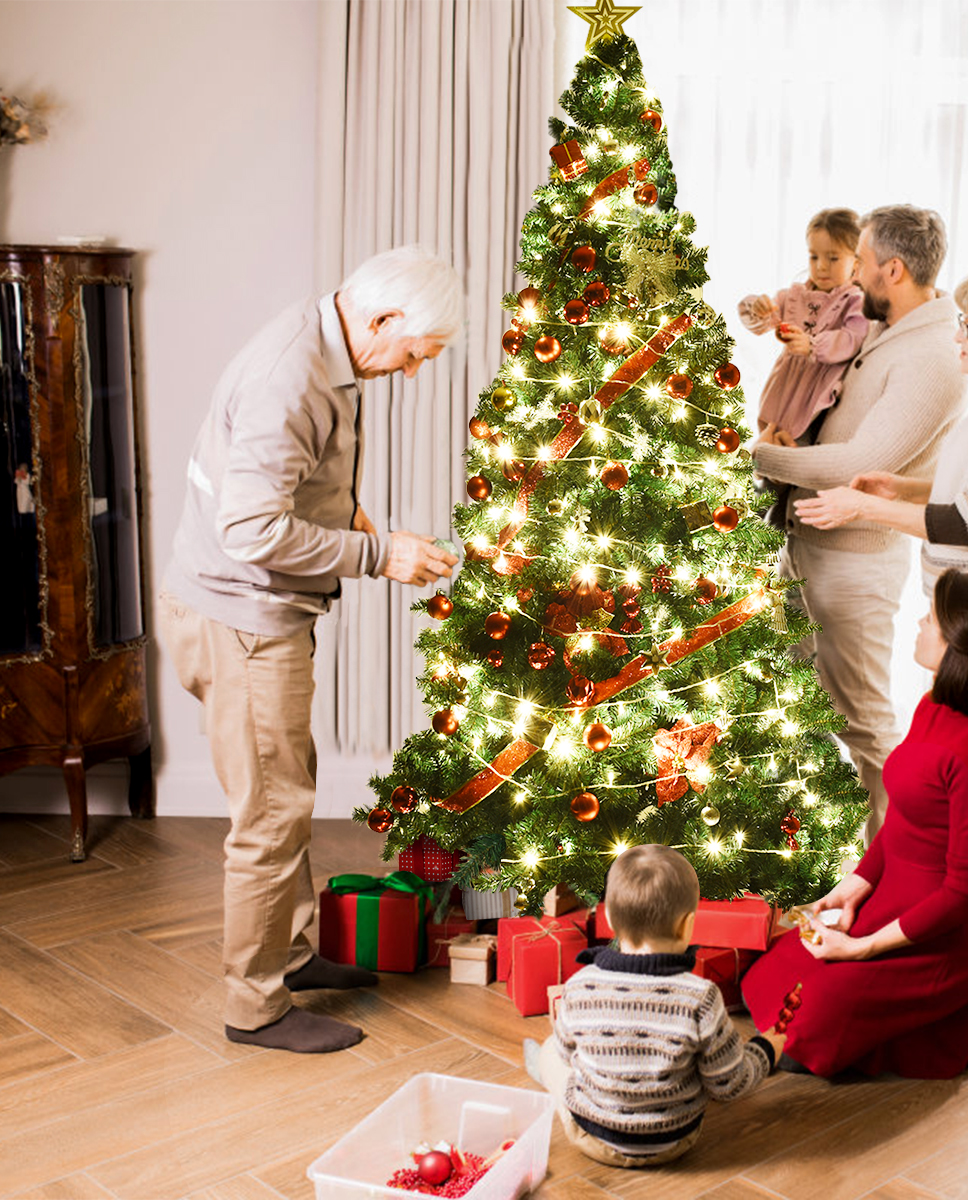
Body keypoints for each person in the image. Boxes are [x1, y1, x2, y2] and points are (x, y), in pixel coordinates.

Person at [159, 247, 463, 1054]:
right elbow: (251, 528)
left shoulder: (322, 342)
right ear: (382, 320)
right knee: (270, 814)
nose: (411, 369)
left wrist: (353, 516)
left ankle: (290, 960)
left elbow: (281, 478)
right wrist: (377, 555)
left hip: (243, 612)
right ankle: (255, 1007)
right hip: (243, 623)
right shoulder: (290, 376)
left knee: (283, 792)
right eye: (412, 351)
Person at [792, 259, 968, 915]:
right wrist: (902, 488)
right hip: (963, 607)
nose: (959, 336)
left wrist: (861, 510)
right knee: (957, 766)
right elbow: (965, 491)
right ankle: (951, 904)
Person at [740, 570, 968, 1079]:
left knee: (815, 1018)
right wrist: (853, 887)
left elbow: (962, 894)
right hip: (896, 894)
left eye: (933, 620)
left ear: (962, 644)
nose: (921, 623)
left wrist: (861, 948)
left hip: (946, 932)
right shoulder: (934, 704)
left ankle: (958, 1022)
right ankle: (938, 1023)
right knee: (775, 976)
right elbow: (902, 817)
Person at [752, 205, 968, 841]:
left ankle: (897, 865)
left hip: (855, 562)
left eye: (864, 266)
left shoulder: (931, 356)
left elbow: (862, 462)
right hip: (811, 541)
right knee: (799, 709)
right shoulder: (883, 326)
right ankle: (817, 860)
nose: (851, 280)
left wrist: (756, 454)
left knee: (863, 722)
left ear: (892, 270)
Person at [524, 844, 785, 1168]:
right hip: (675, 1141)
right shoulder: (701, 996)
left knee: (552, 1050)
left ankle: (545, 1075)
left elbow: (567, 1054)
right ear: (687, 925)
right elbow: (731, 1083)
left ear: (608, 917)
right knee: (702, 1058)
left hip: (593, 1137)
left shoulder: (580, 985)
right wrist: (766, 1049)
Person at [738, 207, 869, 446]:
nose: (821, 266)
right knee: (769, 443)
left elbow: (853, 338)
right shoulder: (795, 295)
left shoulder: (854, 300)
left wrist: (813, 345)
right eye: (814, 257)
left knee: (797, 446)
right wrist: (758, 308)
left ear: (856, 263)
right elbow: (760, 323)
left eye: (833, 258)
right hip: (783, 386)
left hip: (817, 390)